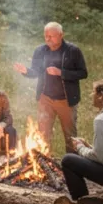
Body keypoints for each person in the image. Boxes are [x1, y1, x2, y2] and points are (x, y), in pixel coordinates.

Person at [13, 22, 87, 153]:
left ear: (61, 35)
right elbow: (35, 72)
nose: (48, 39)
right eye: (46, 36)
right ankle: (44, 161)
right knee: (43, 135)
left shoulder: (72, 51)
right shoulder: (40, 51)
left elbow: (83, 73)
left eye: (51, 36)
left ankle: (72, 162)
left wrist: (61, 73)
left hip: (66, 100)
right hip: (45, 99)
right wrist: (25, 71)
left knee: (70, 136)